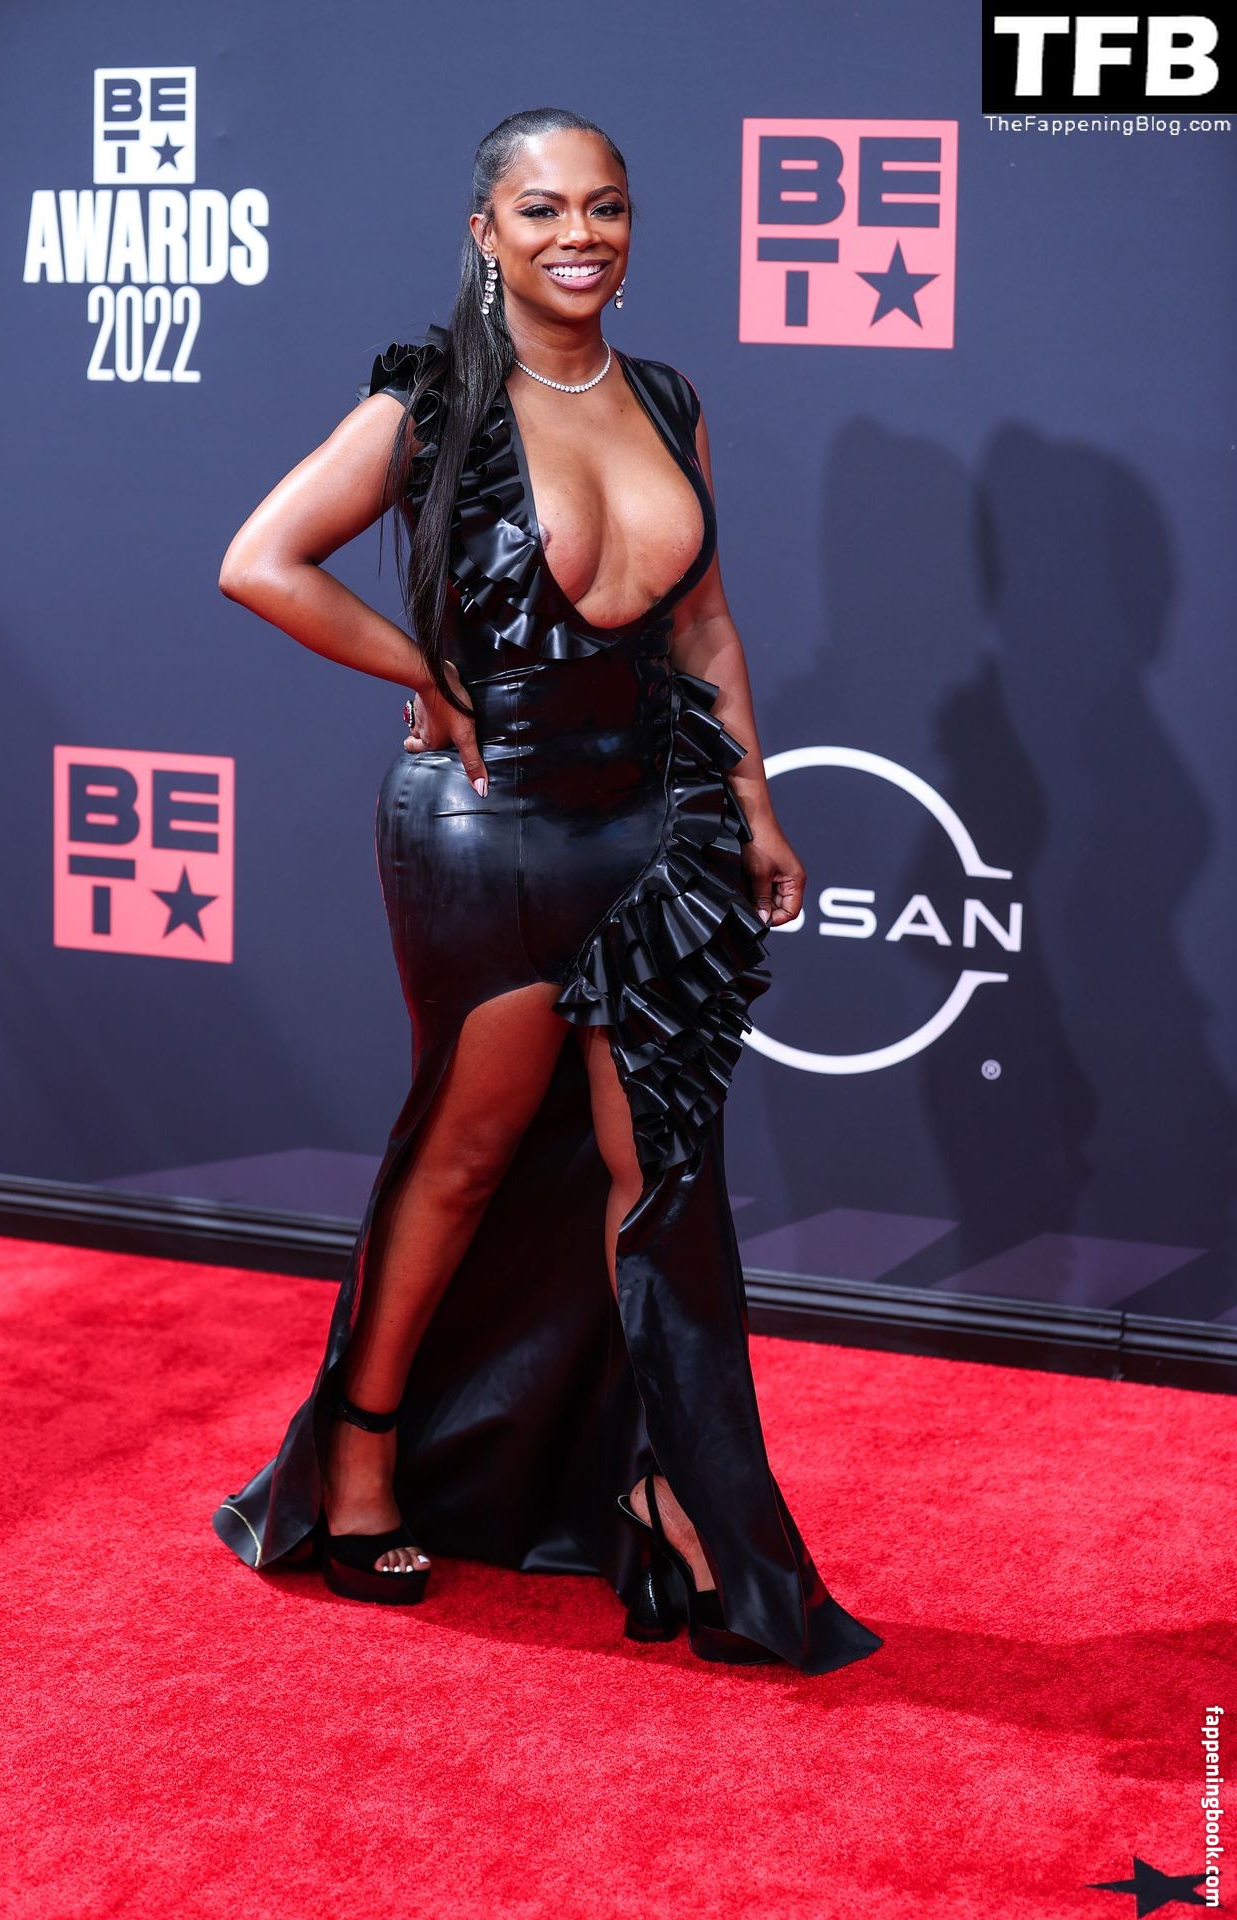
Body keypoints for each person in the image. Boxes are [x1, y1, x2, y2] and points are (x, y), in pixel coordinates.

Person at [212, 106, 883, 1675]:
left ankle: (675, 1488)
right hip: (489, 828)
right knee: (464, 1158)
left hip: (656, 821)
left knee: (662, 1176)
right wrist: (429, 671)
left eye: (606, 207)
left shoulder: (668, 398)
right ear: (486, 232)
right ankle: (360, 1452)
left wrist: (753, 801)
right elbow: (262, 560)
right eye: (542, 210)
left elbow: (701, 622)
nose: (579, 235)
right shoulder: (433, 403)